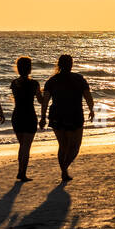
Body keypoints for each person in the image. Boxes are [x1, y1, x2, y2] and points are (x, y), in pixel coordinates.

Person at [42, 54, 93, 183]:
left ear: (59, 65)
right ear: (71, 65)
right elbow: (88, 96)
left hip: (56, 115)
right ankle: (64, 169)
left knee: (63, 145)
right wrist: (92, 110)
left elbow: (45, 101)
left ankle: (64, 171)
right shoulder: (79, 79)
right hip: (74, 114)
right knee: (75, 146)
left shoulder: (52, 80)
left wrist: (42, 117)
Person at [10, 56, 44, 182]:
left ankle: (21, 170)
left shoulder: (14, 83)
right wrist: (45, 93)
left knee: (22, 145)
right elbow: (40, 101)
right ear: (29, 69)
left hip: (17, 115)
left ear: (18, 69)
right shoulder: (34, 83)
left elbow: (17, 97)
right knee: (26, 146)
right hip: (29, 115)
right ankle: (22, 173)